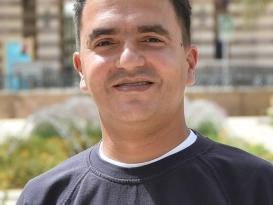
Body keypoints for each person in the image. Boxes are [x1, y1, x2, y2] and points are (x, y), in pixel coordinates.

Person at [17, 0, 273, 204]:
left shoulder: (258, 188)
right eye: (105, 43)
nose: (129, 60)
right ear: (81, 69)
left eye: (152, 39)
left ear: (190, 63)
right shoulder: (45, 197)